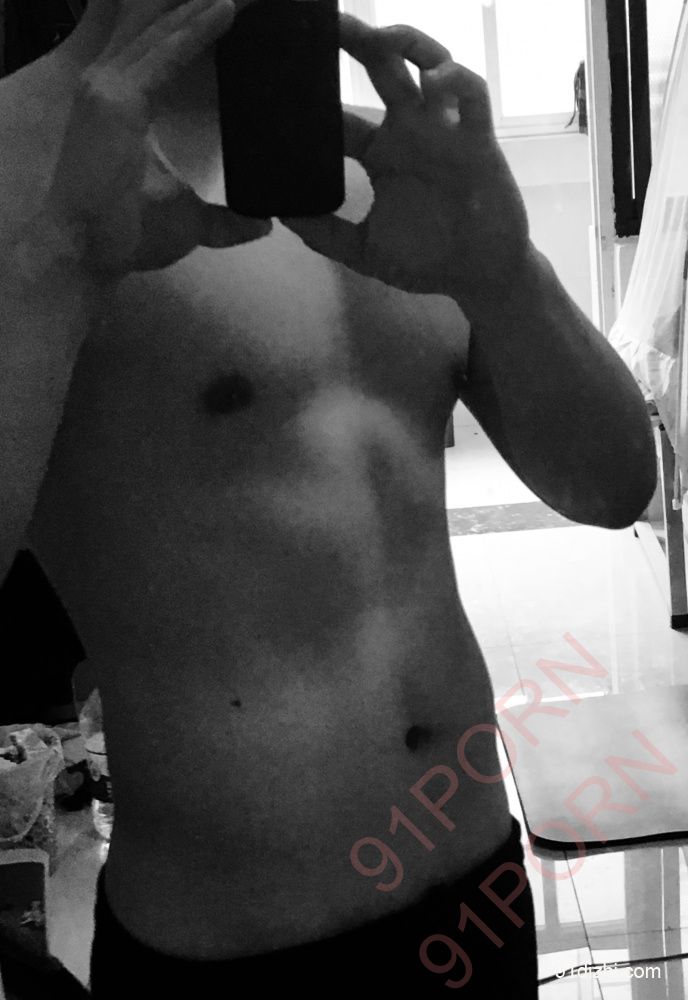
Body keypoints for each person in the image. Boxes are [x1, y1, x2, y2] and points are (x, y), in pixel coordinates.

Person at [0, 0, 656, 995]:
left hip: (478, 888)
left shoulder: (380, 159)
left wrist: (506, 274)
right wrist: (56, 262)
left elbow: (614, 487)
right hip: (236, 953)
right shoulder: (18, 163)